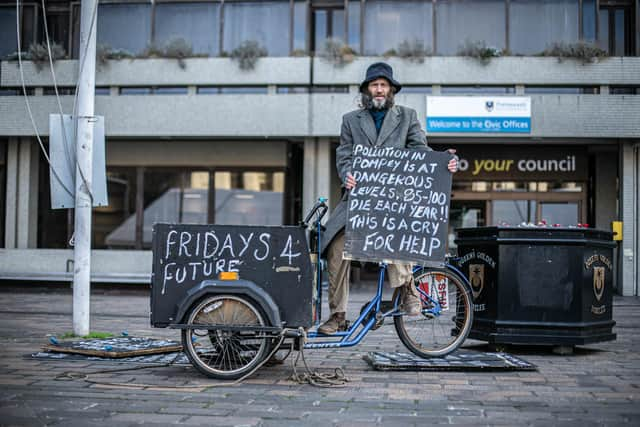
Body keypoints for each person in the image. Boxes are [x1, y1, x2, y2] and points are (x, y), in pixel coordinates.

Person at [318, 62, 458, 334]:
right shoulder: (350, 120)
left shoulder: (407, 116)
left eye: (383, 85)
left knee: (395, 233)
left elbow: (421, 153)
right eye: (374, 85)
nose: (379, 89)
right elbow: (344, 156)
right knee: (336, 248)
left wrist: (444, 163)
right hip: (358, 204)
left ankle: (408, 290)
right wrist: (347, 174)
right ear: (366, 90)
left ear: (391, 90)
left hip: (393, 203)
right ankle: (337, 315)